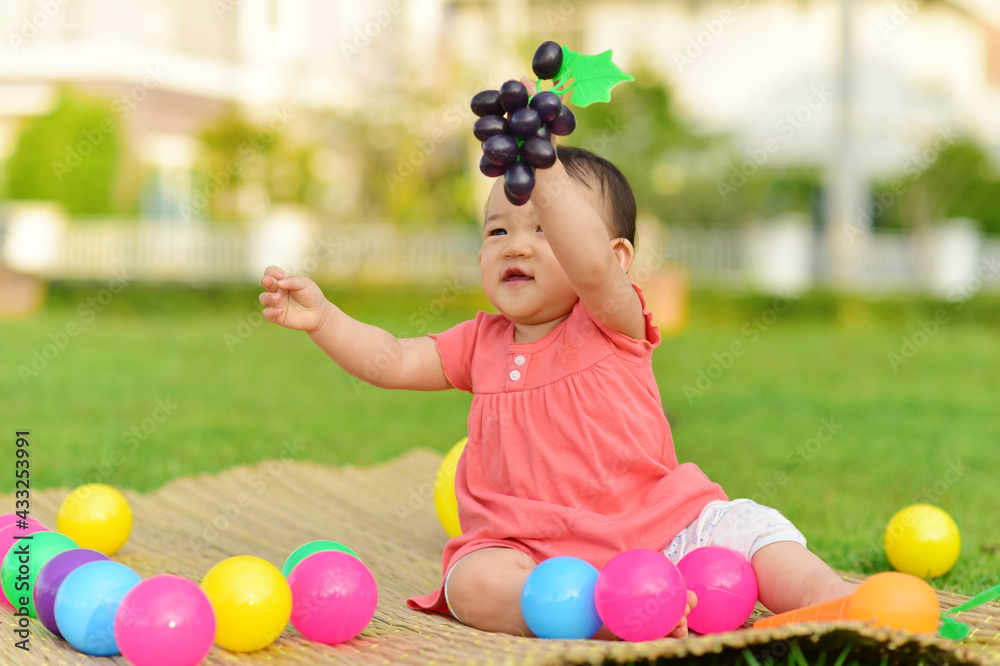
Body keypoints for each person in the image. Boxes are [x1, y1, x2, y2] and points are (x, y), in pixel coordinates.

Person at [258, 83, 855, 639]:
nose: (515, 244)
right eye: (497, 231)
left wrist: (540, 166)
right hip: (536, 555)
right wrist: (326, 320)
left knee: (748, 531)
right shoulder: (479, 343)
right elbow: (389, 360)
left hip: (663, 530)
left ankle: (837, 601)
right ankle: (613, 613)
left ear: (618, 257)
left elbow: (588, 265)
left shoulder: (609, 320)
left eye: (543, 228)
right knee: (474, 584)